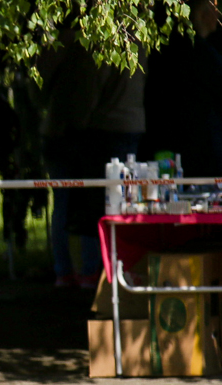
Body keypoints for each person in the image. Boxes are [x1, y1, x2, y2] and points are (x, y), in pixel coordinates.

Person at [40, 29, 145, 289]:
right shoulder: (131, 34)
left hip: (74, 128)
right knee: (97, 202)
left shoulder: (86, 38)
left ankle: (76, 271)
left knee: (76, 202)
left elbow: (85, 89)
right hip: (96, 128)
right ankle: (92, 271)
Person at [144, 0, 222, 177]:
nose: (218, 15)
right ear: (201, 15)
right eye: (213, 8)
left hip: (169, 142)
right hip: (199, 148)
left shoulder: (164, 48)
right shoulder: (197, 50)